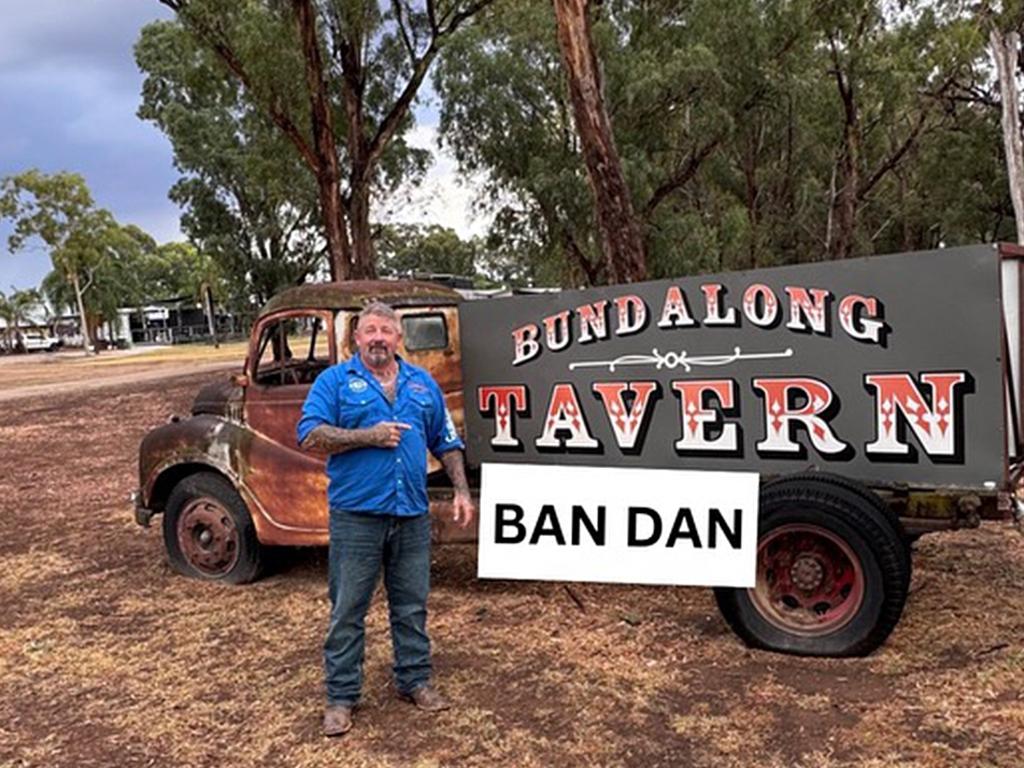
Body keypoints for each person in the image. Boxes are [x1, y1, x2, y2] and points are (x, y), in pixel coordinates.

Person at [297, 301, 475, 738]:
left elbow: (447, 441)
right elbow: (310, 433)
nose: (378, 338)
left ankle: (414, 680)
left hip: (411, 514)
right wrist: (366, 437)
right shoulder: (335, 381)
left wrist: (461, 489)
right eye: (369, 330)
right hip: (357, 516)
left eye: (386, 331)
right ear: (356, 338)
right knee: (348, 609)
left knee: (411, 604)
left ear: (398, 338)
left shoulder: (421, 384)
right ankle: (341, 697)